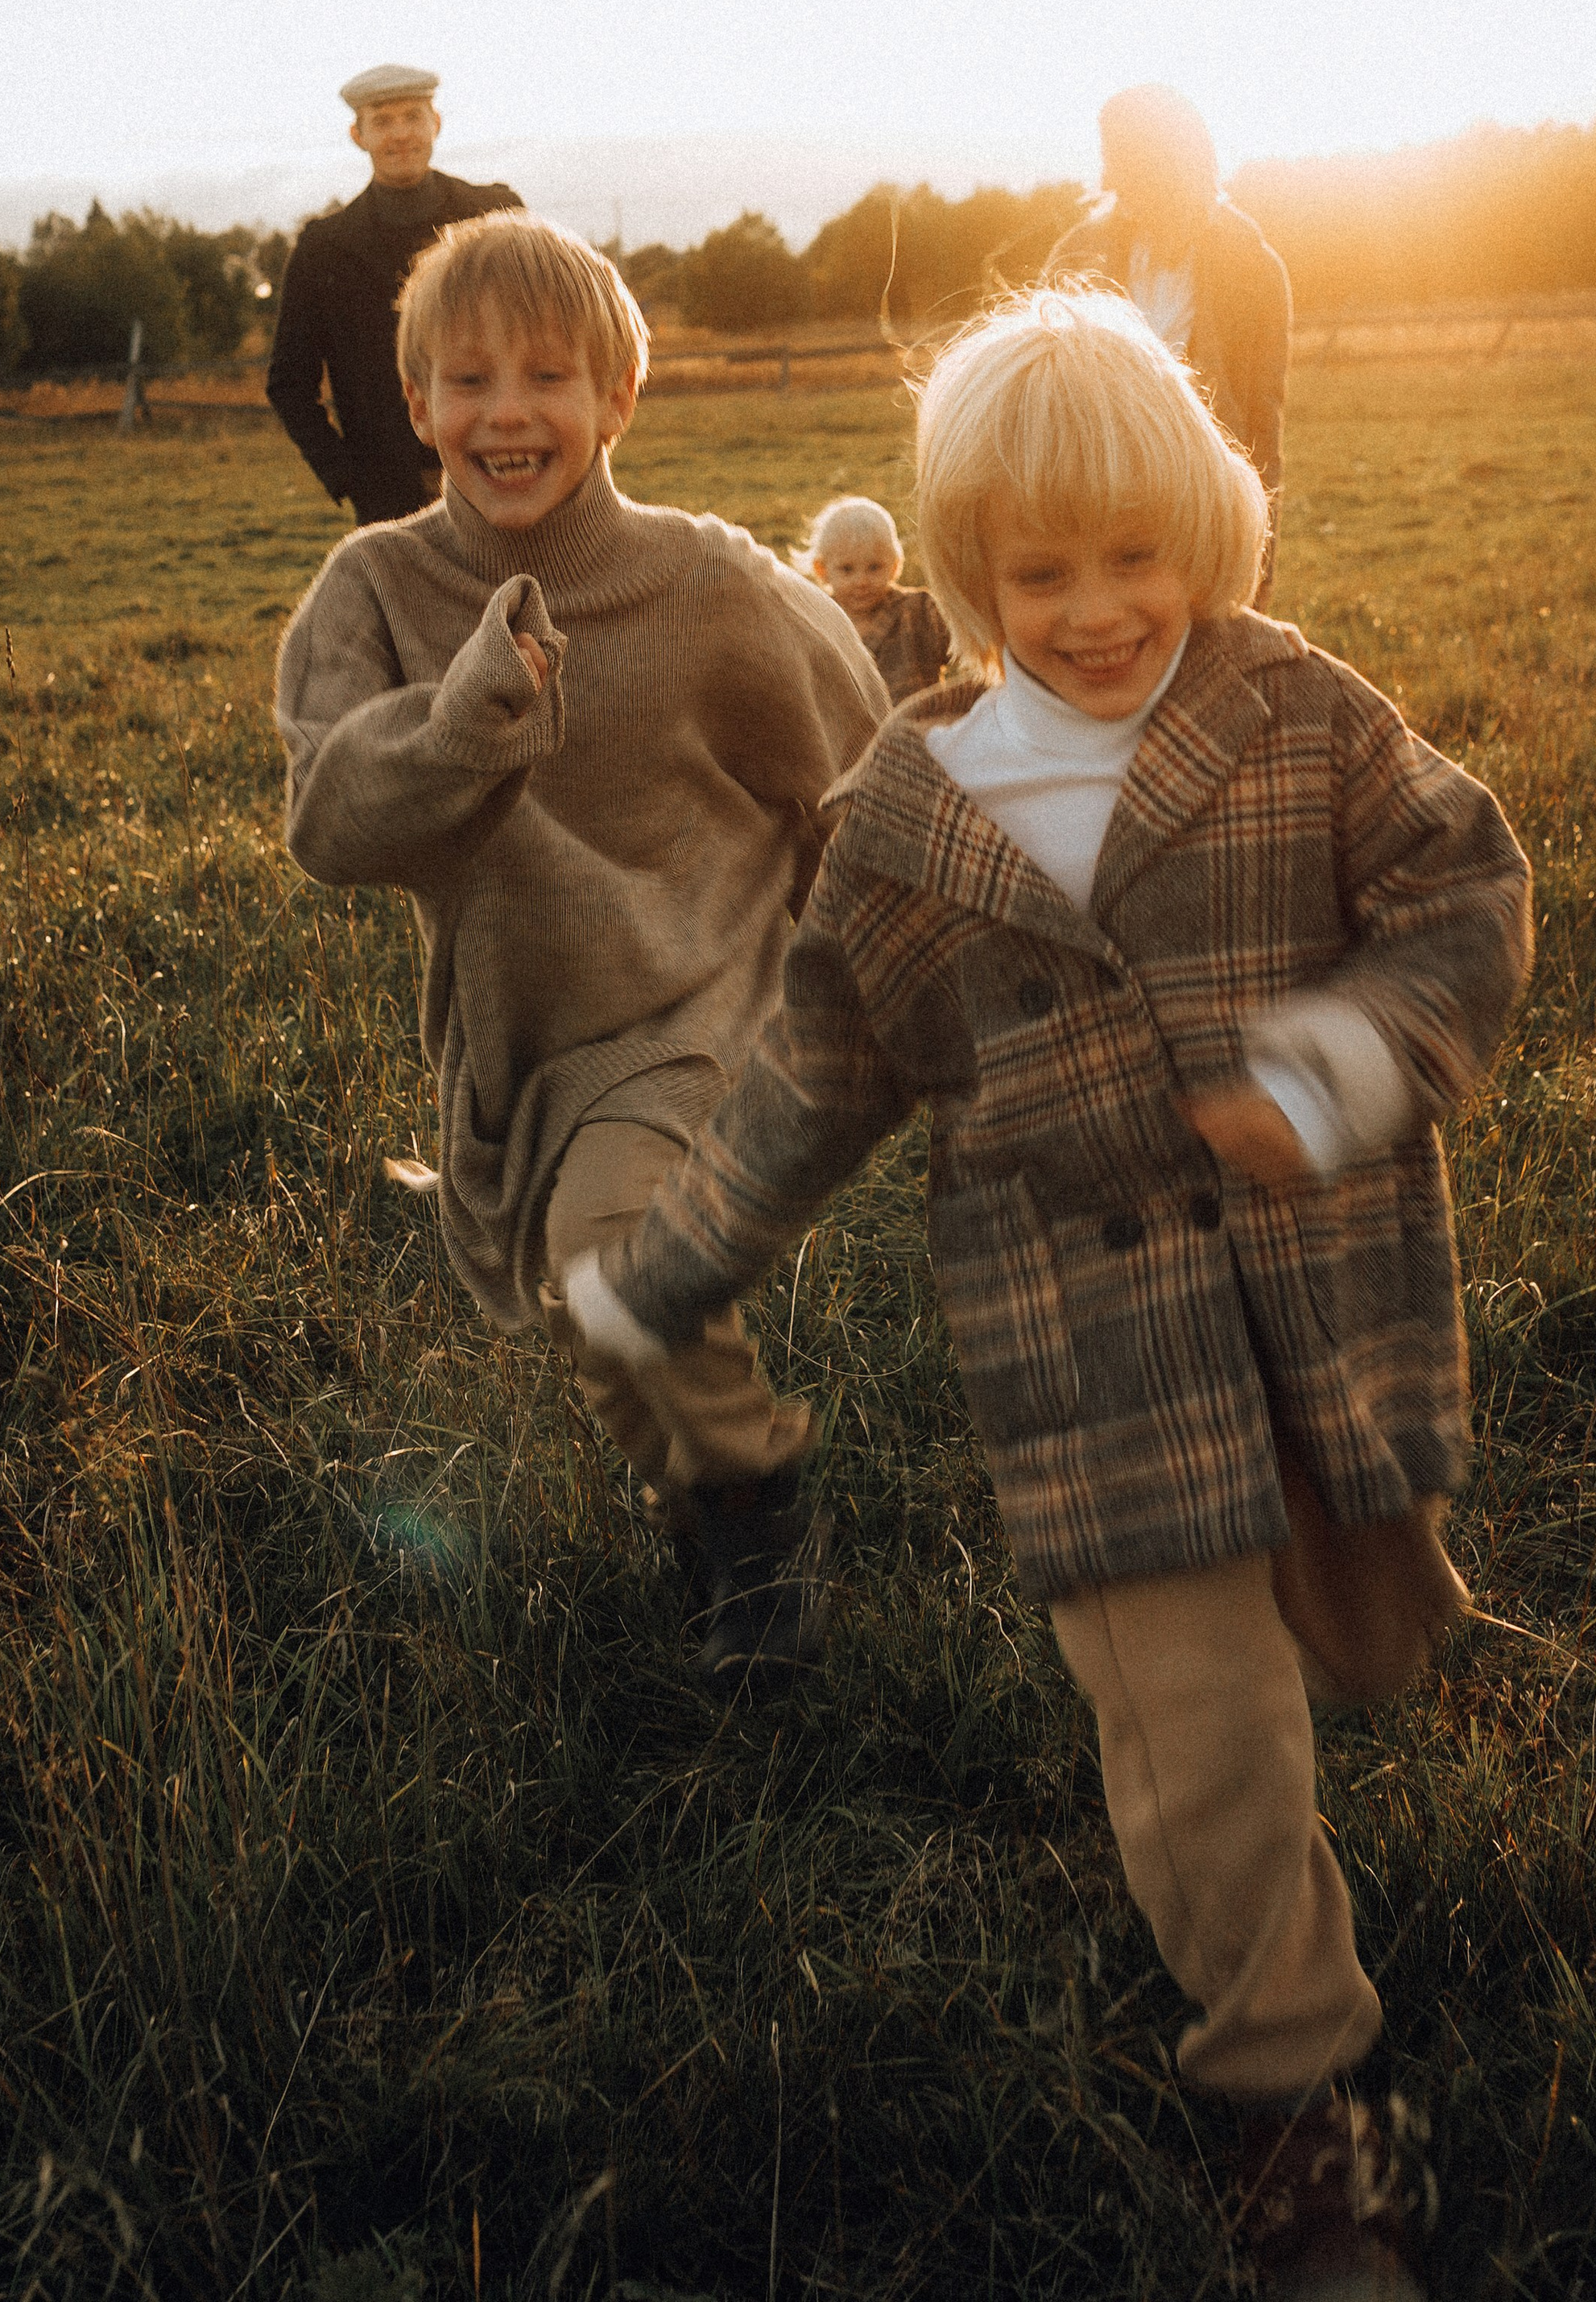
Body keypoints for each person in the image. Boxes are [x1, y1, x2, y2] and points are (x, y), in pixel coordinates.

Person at [561, 287, 1530, 2296]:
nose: (1094, 607)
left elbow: (1463, 895)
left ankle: (1394, 1590)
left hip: (1312, 1298)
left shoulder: (1296, 716)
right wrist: (670, 1268)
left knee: (1352, 1590)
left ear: (1207, 534)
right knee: (1200, 1728)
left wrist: (1334, 1064)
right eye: (1038, 568)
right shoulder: (906, 821)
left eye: (1134, 556)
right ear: (969, 573)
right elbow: (815, 1073)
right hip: (1088, 1356)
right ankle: (1301, 2110)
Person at [275, 212, 888, 1686]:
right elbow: (332, 818)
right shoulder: (372, 590)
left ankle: (755, 1513)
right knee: (586, 1299)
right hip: (520, 1035)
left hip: (698, 992)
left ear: (618, 401)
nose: (507, 411)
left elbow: (858, 753)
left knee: (610, 1255)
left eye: (548, 376)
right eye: (467, 380)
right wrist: (467, 715)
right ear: (413, 407)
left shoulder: (707, 583)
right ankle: (701, 1504)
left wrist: (879, 959)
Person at [1045, 83, 1292, 595]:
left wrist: (1257, 564)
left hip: (1201, 492)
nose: (1120, 189)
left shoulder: (1254, 268)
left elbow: (1261, 420)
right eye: (1116, 173)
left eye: (1139, 174)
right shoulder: (1077, 256)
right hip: (1095, 491)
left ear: (1185, 169)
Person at [267, 64, 523, 523]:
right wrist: (348, 477)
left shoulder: (495, 216)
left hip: (503, 473)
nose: (400, 134)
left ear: (437, 124)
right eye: (382, 121)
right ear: (357, 134)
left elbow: (545, 340)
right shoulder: (325, 248)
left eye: (413, 117)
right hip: (389, 500)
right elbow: (289, 383)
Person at [797, 494, 950, 704]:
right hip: (849, 734)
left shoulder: (919, 612)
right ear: (822, 570)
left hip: (918, 729)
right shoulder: (815, 622)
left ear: (895, 566)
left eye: (874, 567)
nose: (862, 581)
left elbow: (975, 641)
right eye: (847, 569)